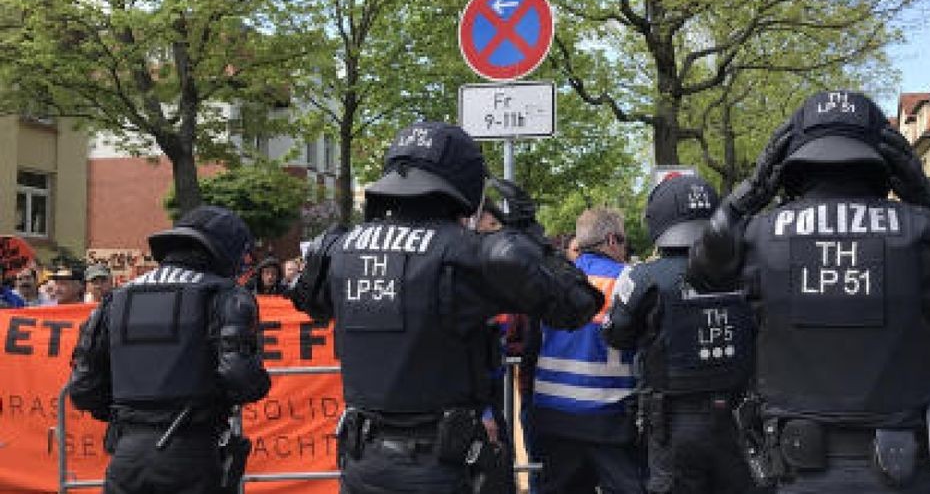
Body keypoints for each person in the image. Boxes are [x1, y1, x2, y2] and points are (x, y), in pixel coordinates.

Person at [688, 90, 930, 493]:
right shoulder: (927, 231)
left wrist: (747, 197)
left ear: (789, 164)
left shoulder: (759, 235)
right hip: (907, 469)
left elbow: (703, 275)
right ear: (887, 161)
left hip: (796, 470)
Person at [288, 121, 603, 494]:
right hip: (445, 466)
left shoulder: (339, 248)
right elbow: (579, 304)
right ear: (464, 182)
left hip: (363, 462)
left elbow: (310, 303)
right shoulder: (469, 253)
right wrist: (526, 231)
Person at [68, 205, 272, 494]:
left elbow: (83, 388)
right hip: (192, 452)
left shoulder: (116, 299)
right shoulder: (224, 295)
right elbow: (242, 379)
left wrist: (131, 415)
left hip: (126, 455)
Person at [603, 174, 756, 493]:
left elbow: (617, 335)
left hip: (673, 423)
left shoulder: (645, 278)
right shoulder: (748, 268)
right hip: (740, 417)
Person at [532, 206, 645, 494]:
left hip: (552, 415)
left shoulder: (551, 280)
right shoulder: (628, 280)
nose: (624, 248)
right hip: (609, 415)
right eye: (623, 241)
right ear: (610, 240)